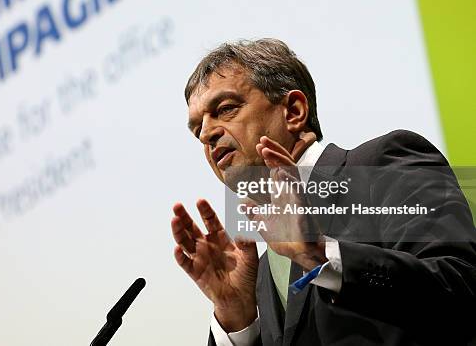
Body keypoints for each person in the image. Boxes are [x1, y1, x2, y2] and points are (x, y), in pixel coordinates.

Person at [170, 39, 476, 346]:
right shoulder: (258, 274)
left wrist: (320, 256)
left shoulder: (381, 166)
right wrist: (237, 320)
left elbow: (462, 288)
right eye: (197, 130)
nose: (207, 134)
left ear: (293, 111)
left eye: (225, 109)